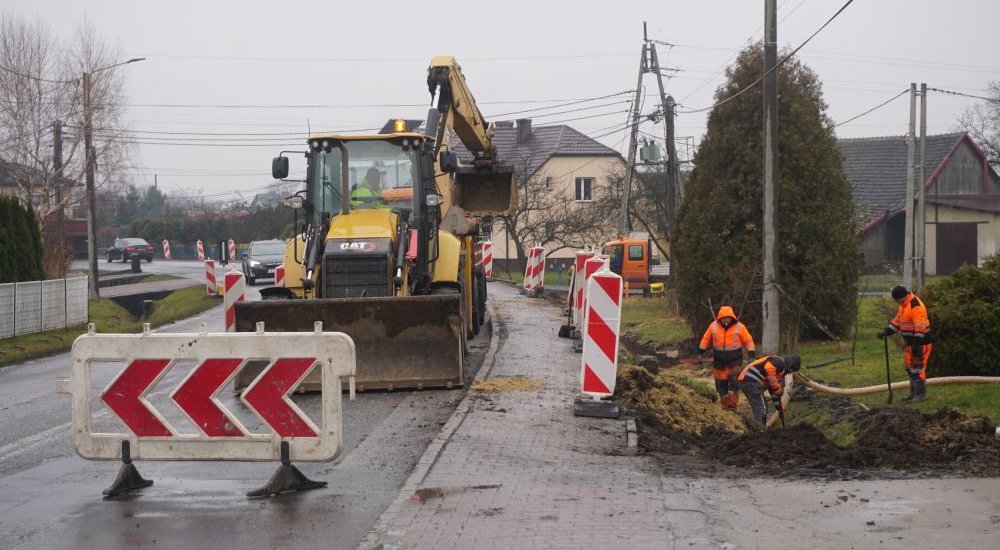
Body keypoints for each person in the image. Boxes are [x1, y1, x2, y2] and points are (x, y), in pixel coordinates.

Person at [878, 285, 932, 402]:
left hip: (921, 343)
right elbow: (897, 322)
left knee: (917, 369)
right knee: (910, 368)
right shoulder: (904, 305)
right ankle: (913, 394)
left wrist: (918, 345)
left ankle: (920, 395)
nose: (896, 302)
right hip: (912, 344)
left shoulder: (915, 306)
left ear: (902, 297)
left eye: (897, 300)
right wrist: (886, 332)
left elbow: (920, 327)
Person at [698, 306, 756, 410]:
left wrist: (751, 355)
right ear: (719, 318)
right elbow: (706, 339)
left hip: (735, 362)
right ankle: (725, 407)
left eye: (728, 318)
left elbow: (748, 341)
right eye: (723, 318)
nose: (726, 320)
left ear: (732, 318)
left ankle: (732, 407)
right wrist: (700, 352)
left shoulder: (740, 327)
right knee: (721, 387)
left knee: (734, 386)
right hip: (719, 362)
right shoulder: (713, 326)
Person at [738, 354, 801, 425]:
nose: (790, 372)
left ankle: (758, 427)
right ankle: (760, 430)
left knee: (762, 406)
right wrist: (777, 388)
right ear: (790, 366)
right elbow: (769, 368)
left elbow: (774, 392)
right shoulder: (780, 362)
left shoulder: (777, 373)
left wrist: (779, 409)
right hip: (751, 380)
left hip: (748, 381)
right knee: (762, 409)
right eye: (791, 370)